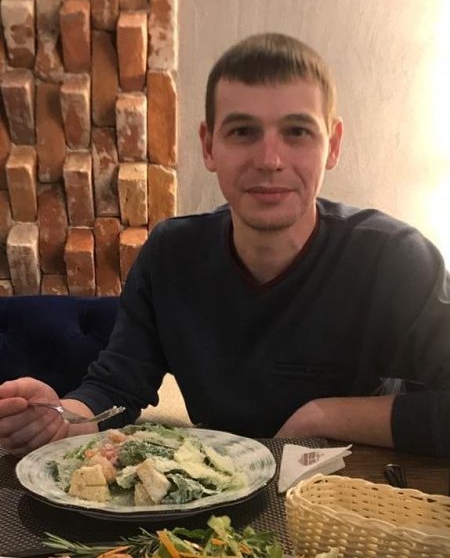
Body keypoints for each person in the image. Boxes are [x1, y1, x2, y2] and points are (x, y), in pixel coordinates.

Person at [1, 33, 449, 458]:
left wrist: (322, 415)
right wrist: (60, 419)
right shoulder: (170, 255)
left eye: (297, 132)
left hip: (353, 492)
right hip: (220, 493)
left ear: (332, 146)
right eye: (243, 132)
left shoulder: (393, 258)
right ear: (209, 146)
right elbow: (115, 388)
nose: (270, 160)